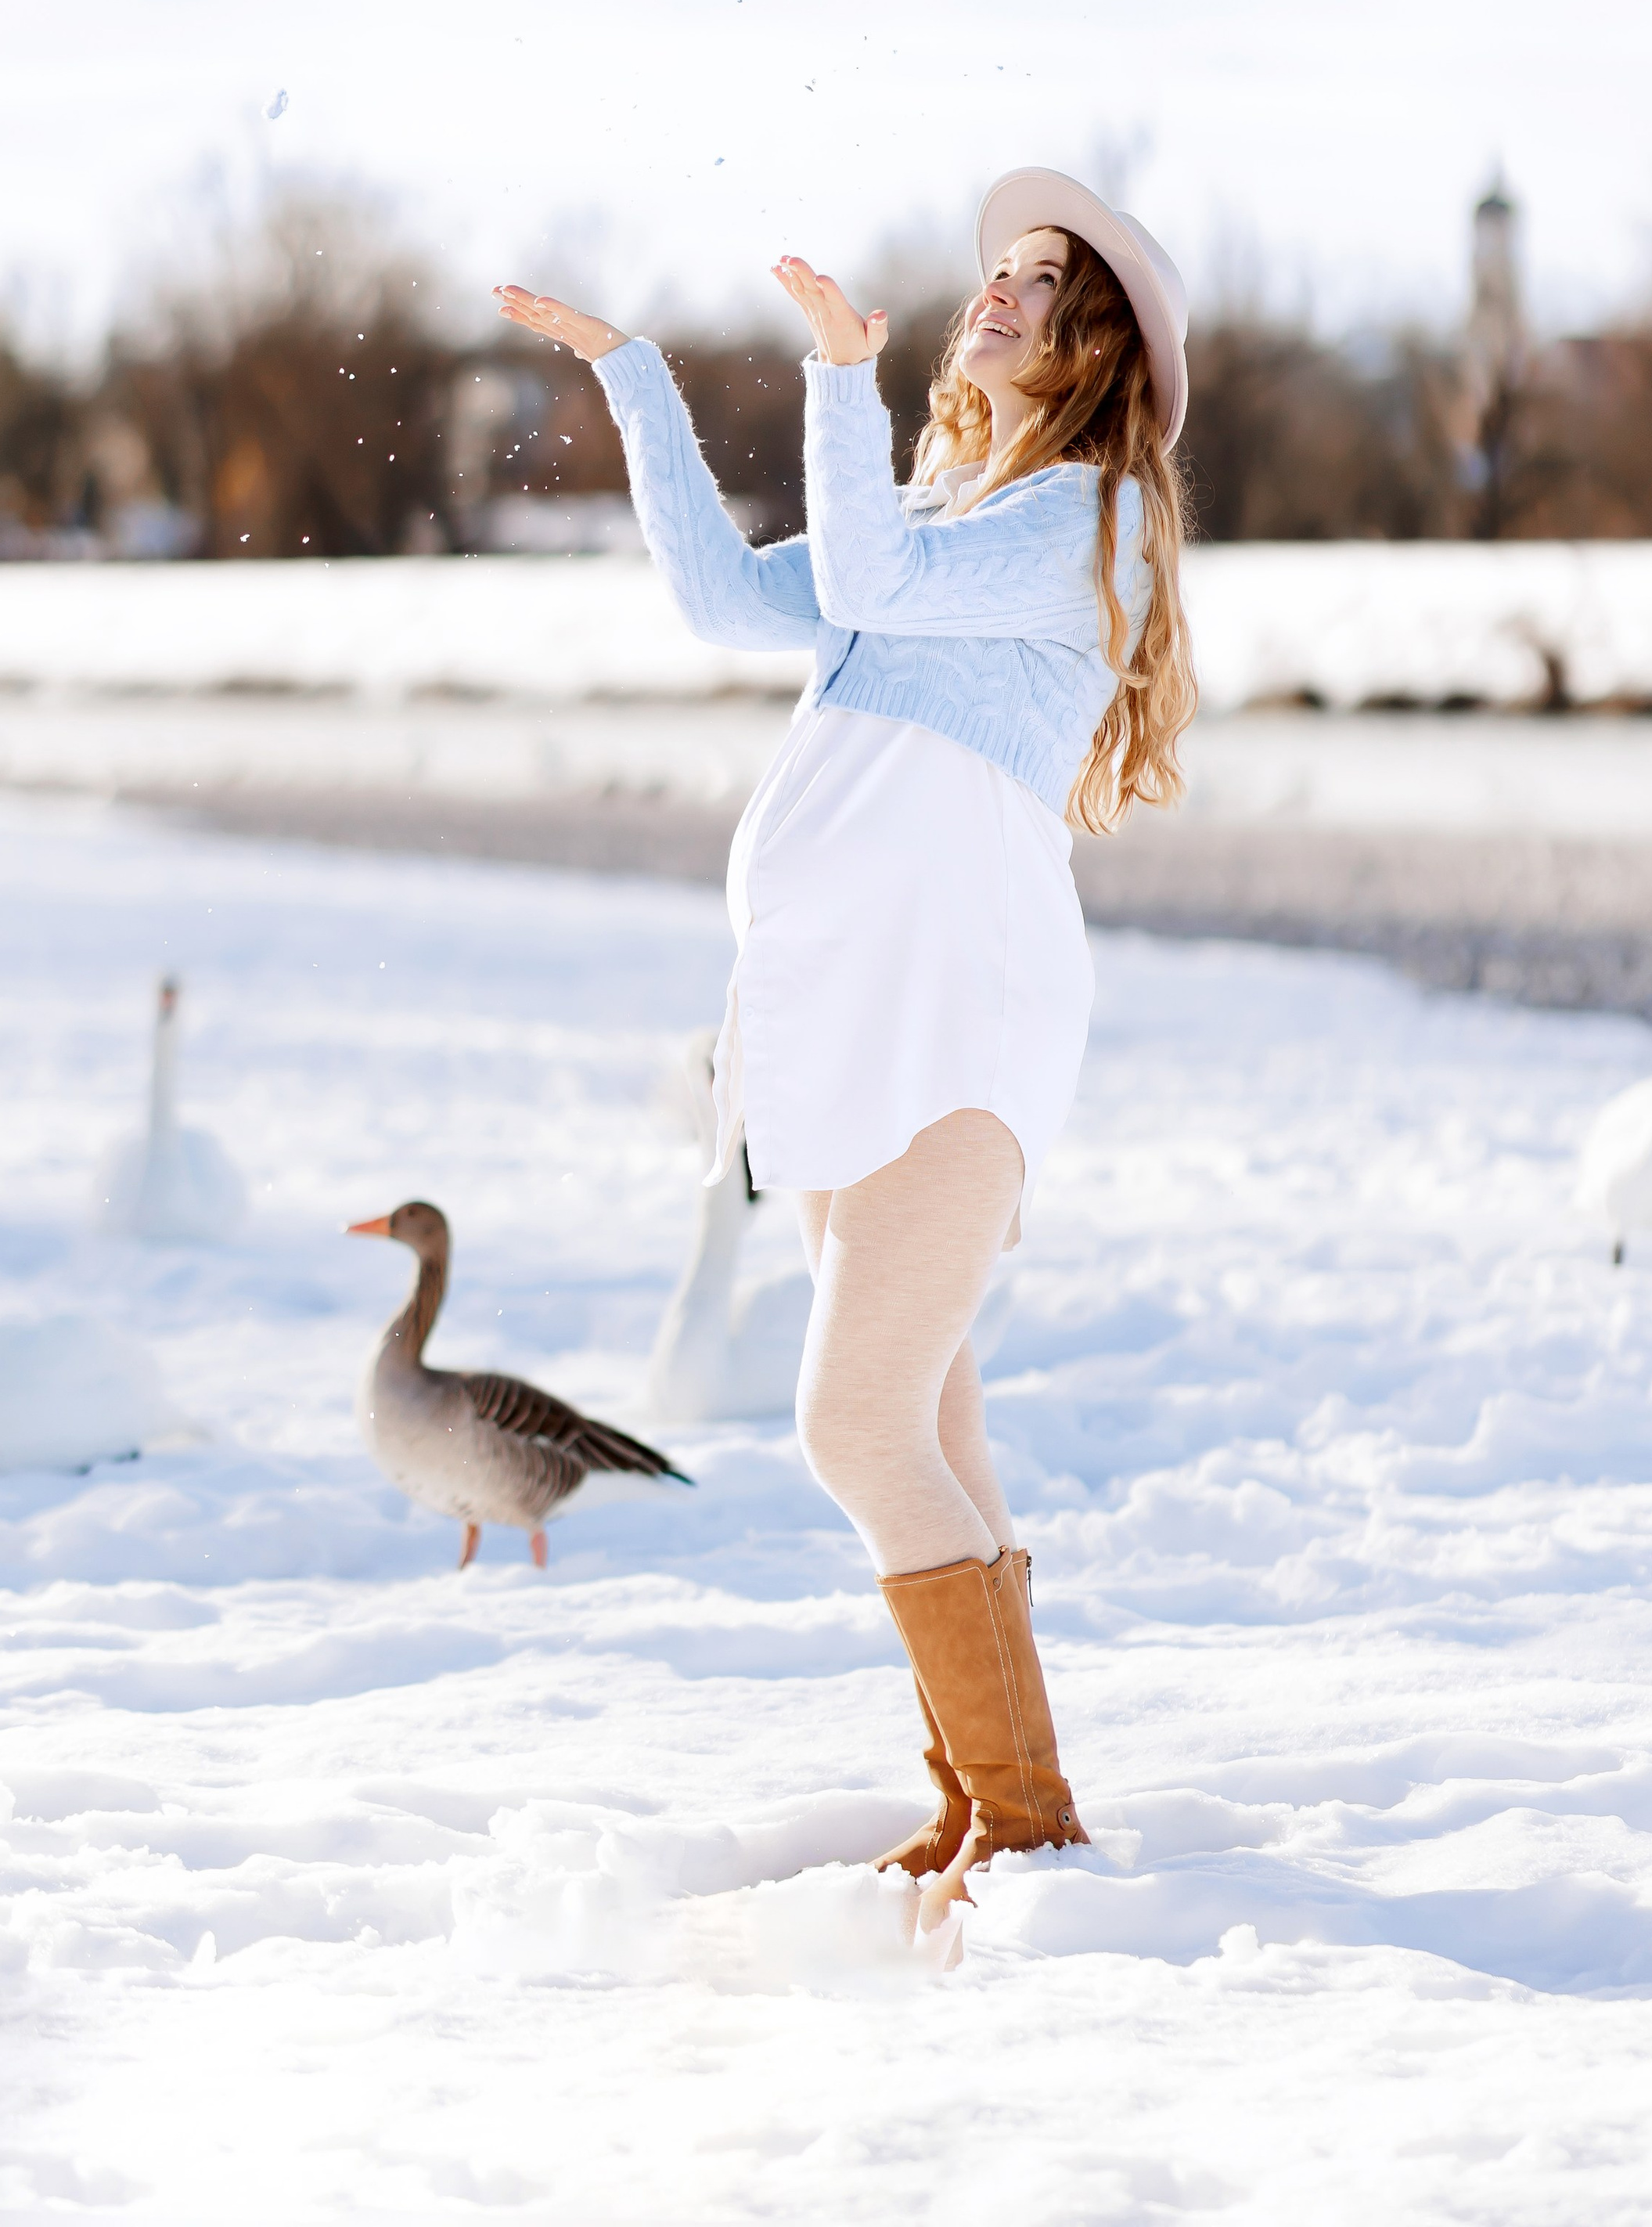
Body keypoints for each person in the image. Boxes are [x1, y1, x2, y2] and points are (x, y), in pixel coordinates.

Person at [495, 166, 1196, 1925]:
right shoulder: (953, 512)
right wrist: (635, 375)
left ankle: (1024, 1823)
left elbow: (868, 571)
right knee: (930, 1413)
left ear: (1100, 345)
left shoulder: (1090, 521)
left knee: (854, 1419)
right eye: (1002, 269)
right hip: (843, 1006)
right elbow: (731, 603)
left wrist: (833, 373)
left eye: (1046, 282)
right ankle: (988, 1808)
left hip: (958, 1002)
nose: (1002, 291)